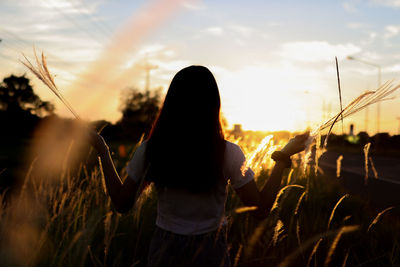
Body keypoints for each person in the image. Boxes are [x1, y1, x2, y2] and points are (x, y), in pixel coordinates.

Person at [89, 66, 309, 267]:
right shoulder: (228, 153)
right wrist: (282, 157)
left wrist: (102, 150)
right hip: (211, 252)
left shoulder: (152, 150)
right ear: (213, 105)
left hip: (165, 251)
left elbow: (122, 203)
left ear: (171, 103)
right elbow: (260, 209)